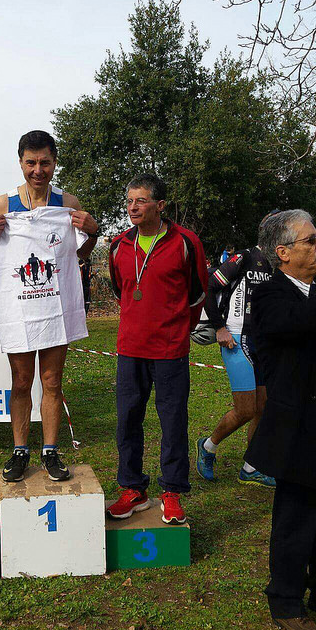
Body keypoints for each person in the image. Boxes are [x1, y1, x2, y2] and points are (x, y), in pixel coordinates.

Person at [0, 130, 98, 483]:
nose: (38, 170)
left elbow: (77, 256)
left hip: (55, 309)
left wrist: (93, 232)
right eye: (31, 162)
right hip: (20, 310)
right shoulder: (3, 205)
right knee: (21, 382)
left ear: (55, 161)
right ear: (21, 163)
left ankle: (50, 450)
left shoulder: (67, 203)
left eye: (45, 162)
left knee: (52, 381)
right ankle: (19, 450)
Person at [244, 209, 316, 630]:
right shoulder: (269, 296)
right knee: (297, 519)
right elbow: (300, 324)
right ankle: (285, 602)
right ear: (283, 252)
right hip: (296, 427)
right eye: (311, 240)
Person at [106, 172, 208, 525]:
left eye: (141, 200)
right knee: (128, 420)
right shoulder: (119, 245)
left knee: (173, 421)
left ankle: (173, 491)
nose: (133, 207)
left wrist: (178, 331)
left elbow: (196, 294)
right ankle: (133, 489)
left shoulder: (186, 242)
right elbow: (122, 289)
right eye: (130, 201)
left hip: (170, 350)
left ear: (160, 205)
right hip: (130, 348)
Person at [197, 232, 274, 487]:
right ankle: (208, 447)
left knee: (262, 407)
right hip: (236, 337)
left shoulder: (277, 264)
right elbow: (210, 286)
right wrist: (220, 327)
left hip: (262, 340)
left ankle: (251, 467)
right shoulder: (245, 257)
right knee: (245, 409)